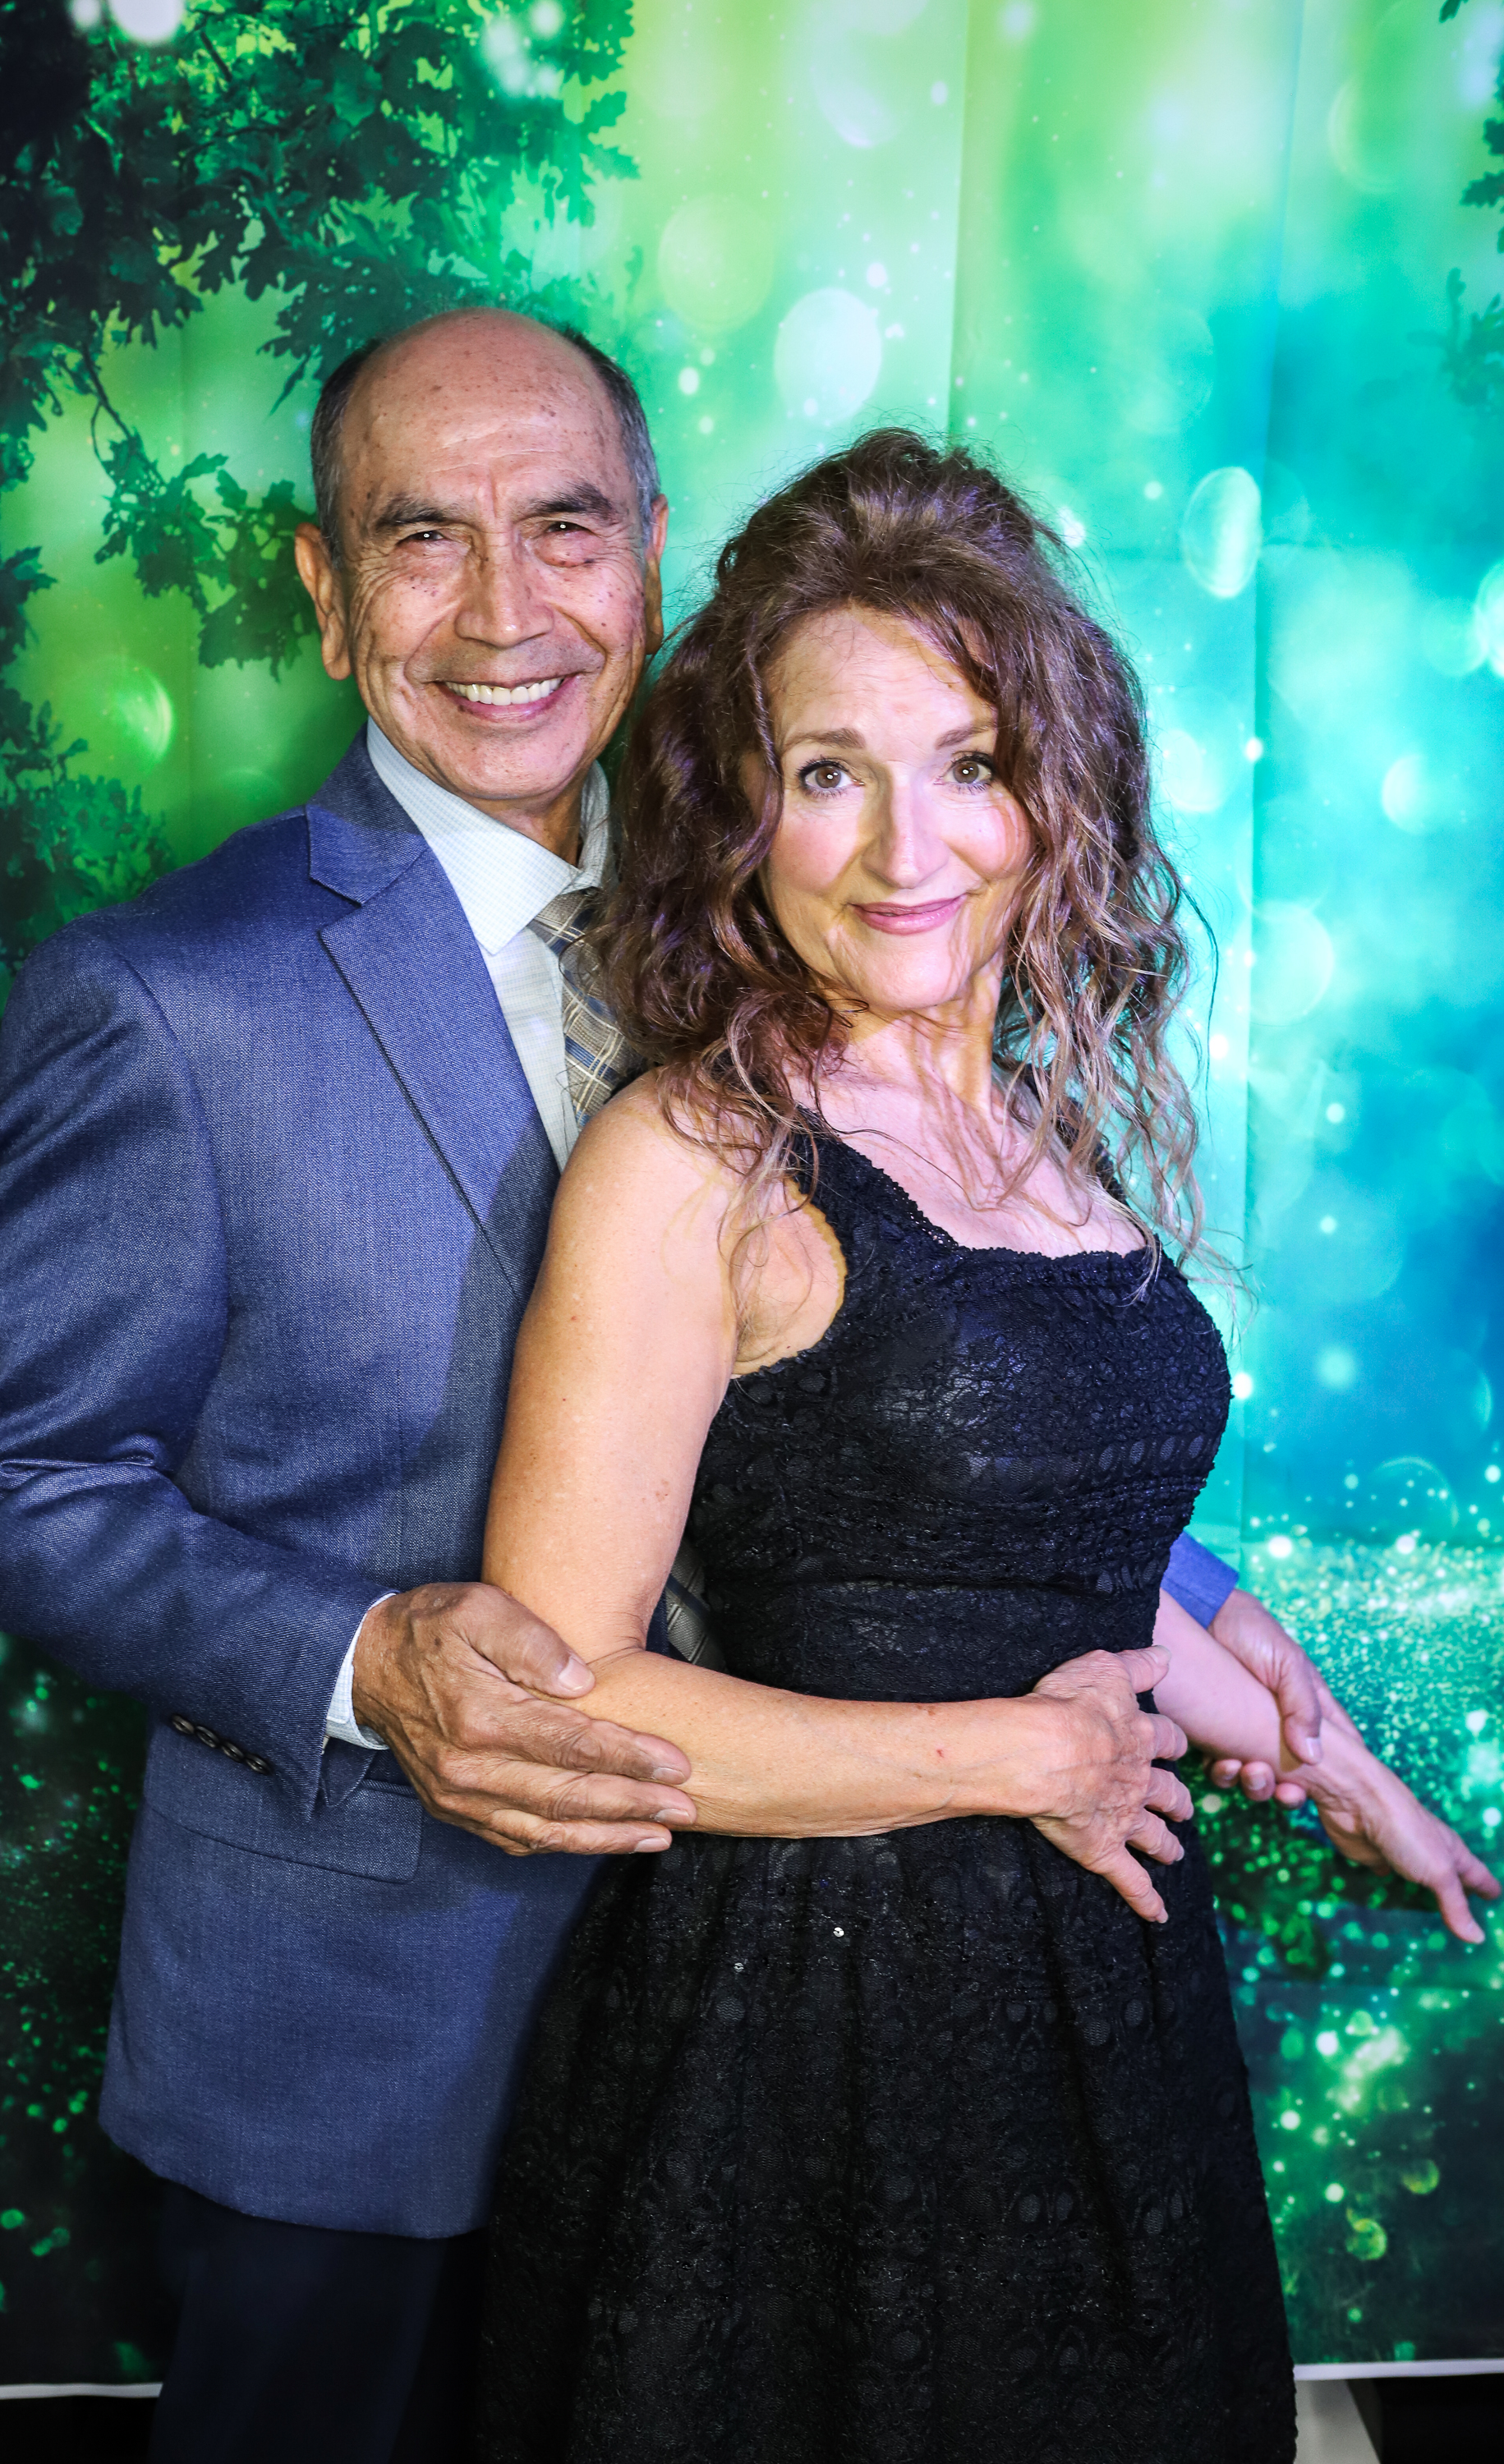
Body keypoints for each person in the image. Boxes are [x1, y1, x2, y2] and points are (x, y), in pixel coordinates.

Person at [0, 310, 1437, 2461]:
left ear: (648, 553)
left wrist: (1197, 1613)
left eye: (563, 529)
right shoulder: (175, 994)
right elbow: (10, 1486)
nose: (505, 611)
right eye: (420, 538)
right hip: (372, 2024)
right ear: (327, 594)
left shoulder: (794, 897)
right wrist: (364, 1660)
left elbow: (858, 1428)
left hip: (778, 1993)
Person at [471, 431, 1498, 2464]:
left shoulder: (1043, 1135)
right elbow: (556, 1691)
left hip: (1100, 1995)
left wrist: (1328, 1764)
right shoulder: (694, 1157)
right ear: (738, 807)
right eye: (826, 772)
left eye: (967, 762)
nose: (903, 848)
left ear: (1052, 790)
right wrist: (1012, 1761)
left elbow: (1056, 1579)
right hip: (806, 2023)